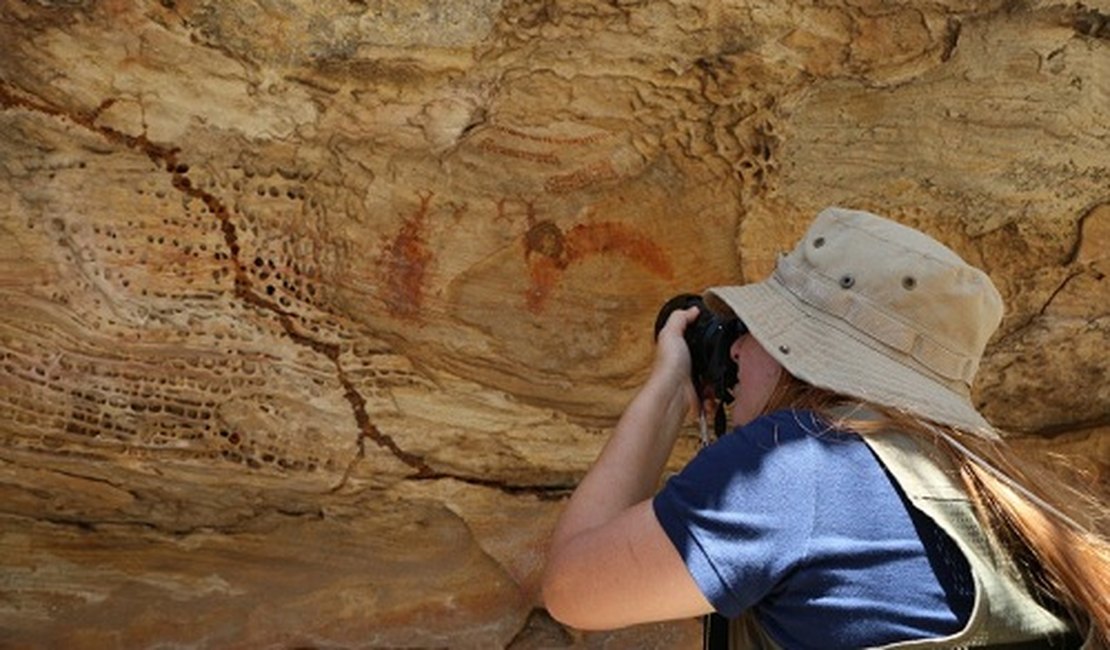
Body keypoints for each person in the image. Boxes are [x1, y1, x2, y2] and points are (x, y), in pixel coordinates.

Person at [541, 207, 1108, 648]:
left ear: (805, 355)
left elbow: (573, 588)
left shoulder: (795, 465)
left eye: (759, 329)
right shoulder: (993, 490)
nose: (736, 347)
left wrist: (666, 392)